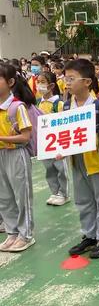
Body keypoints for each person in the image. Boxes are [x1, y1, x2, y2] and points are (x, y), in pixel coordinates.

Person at [64, 59, 99, 259]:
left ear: (87, 82)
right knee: (83, 201)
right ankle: (90, 235)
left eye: (72, 79)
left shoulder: (98, 107)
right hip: (77, 162)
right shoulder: (66, 107)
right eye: (65, 78)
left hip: (96, 163)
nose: (67, 83)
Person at [0, 64, 36, 252]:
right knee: (4, 196)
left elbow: (25, 137)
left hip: (16, 153)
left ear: (10, 82)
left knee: (21, 194)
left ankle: (26, 234)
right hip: (1, 154)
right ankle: (12, 232)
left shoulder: (17, 107)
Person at [37, 71, 70, 206]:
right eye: (38, 82)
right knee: (49, 168)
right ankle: (55, 192)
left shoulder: (59, 103)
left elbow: (63, 122)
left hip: (58, 140)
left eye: (42, 82)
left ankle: (64, 193)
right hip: (45, 141)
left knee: (61, 168)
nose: (39, 85)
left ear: (51, 86)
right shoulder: (38, 102)